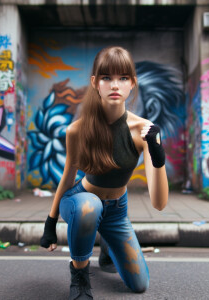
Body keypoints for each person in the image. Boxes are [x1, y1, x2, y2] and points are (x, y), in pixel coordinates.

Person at [40, 46, 169, 299]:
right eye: (106, 77)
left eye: (122, 78)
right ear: (95, 83)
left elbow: (160, 203)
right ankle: (79, 275)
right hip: (80, 199)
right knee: (90, 207)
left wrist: (157, 154)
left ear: (132, 83)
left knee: (139, 284)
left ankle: (107, 245)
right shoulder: (77, 130)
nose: (114, 85)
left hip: (117, 210)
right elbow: (67, 177)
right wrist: (50, 222)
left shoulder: (144, 131)